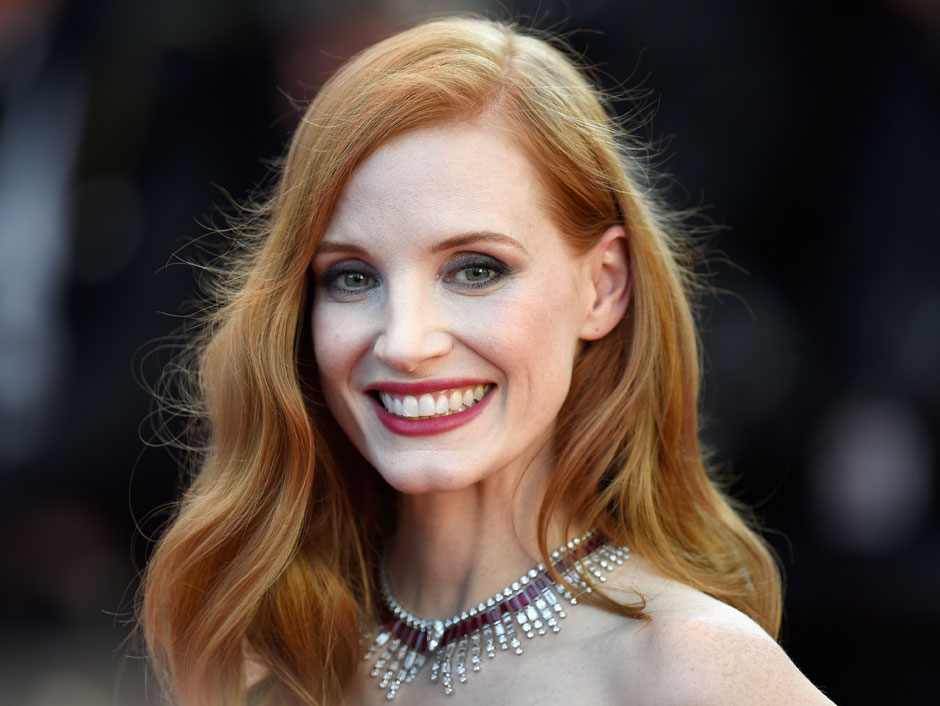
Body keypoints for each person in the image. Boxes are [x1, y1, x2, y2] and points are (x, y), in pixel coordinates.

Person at [141, 16, 836, 706]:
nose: (404, 343)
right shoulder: (272, 657)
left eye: (476, 270)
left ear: (603, 286)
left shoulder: (690, 668)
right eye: (352, 277)